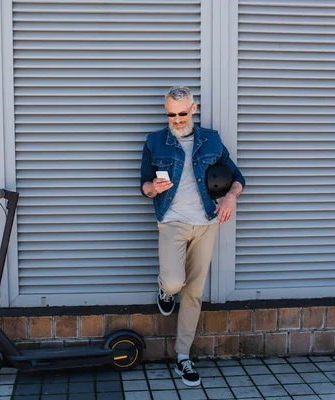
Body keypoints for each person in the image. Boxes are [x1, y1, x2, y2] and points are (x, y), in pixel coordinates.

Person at [139, 86, 245, 386]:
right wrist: (152, 190)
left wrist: (230, 199)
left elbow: (238, 178)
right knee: (174, 282)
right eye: (171, 114)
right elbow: (143, 184)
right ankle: (164, 290)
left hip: (206, 222)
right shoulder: (154, 141)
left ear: (193, 109)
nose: (177, 119)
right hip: (172, 222)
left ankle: (183, 356)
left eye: (182, 113)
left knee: (194, 292)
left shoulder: (211, 140)